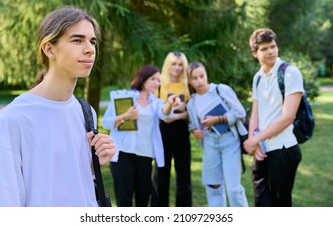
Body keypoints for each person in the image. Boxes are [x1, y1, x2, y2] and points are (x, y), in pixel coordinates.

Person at [0, 7, 115, 207]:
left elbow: (68, 183)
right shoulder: (12, 119)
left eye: (92, 41)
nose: (89, 49)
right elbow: (3, 202)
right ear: (49, 48)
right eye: (77, 40)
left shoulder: (85, 112)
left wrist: (92, 164)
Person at [102, 64, 181, 207]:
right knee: (124, 200)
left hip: (145, 156)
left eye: (158, 80)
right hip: (123, 155)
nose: (157, 83)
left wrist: (169, 102)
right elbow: (107, 123)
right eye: (153, 79)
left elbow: (165, 114)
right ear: (143, 78)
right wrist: (126, 116)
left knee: (143, 198)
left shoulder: (156, 102)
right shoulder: (124, 96)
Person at [244, 28, 303, 207]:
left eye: (273, 46)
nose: (270, 51)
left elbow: (287, 118)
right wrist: (253, 141)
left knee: (280, 206)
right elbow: (255, 113)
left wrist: (255, 141)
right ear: (255, 53)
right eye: (264, 49)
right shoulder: (257, 78)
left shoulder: (290, 73)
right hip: (263, 150)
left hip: (283, 149)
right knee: (261, 204)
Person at [186, 62, 249, 207]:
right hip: (209, 143)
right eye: (195, 78)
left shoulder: (221, 90)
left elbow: (240, 112)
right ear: (190, 81)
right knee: (213, 187)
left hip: (229, 140)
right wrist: (196, 131)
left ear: (206, 75)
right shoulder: (192, 102)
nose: (200, 81)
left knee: (233, 189)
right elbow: (194, 125)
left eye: (202, 76)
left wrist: (219, 119)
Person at [151, 51, 192, 207]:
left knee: (183, 174)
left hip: (181, 130)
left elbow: (193, 112)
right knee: (161, 173)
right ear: (168, 65)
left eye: (180, 65)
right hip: (163, 131)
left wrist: (180, 114)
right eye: (173, 64)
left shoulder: (188, 85)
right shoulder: (159, 83)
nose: (177, 68)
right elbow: (153, 109)